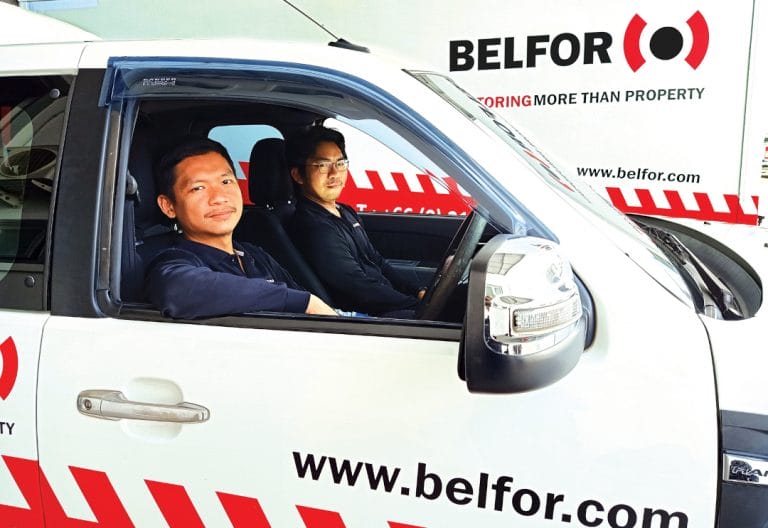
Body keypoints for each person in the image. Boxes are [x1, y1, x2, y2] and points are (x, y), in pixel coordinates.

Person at [144, 137, 337, 319]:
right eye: (198, 188)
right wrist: (303, 302)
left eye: (226, 181)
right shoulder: (175, 259)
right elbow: (176, 289)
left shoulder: (254, 254)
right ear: (169, 206)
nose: (219, 197)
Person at [286, 125, 426, 318]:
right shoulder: (312, 226)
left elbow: (377, 261)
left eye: (340, 163)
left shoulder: (345, 211)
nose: (334, 173)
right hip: (365, 318)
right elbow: (356, 286)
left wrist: (418, 291)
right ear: (298, 175)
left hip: (387, 304)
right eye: (323, 165)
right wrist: (418, 306)